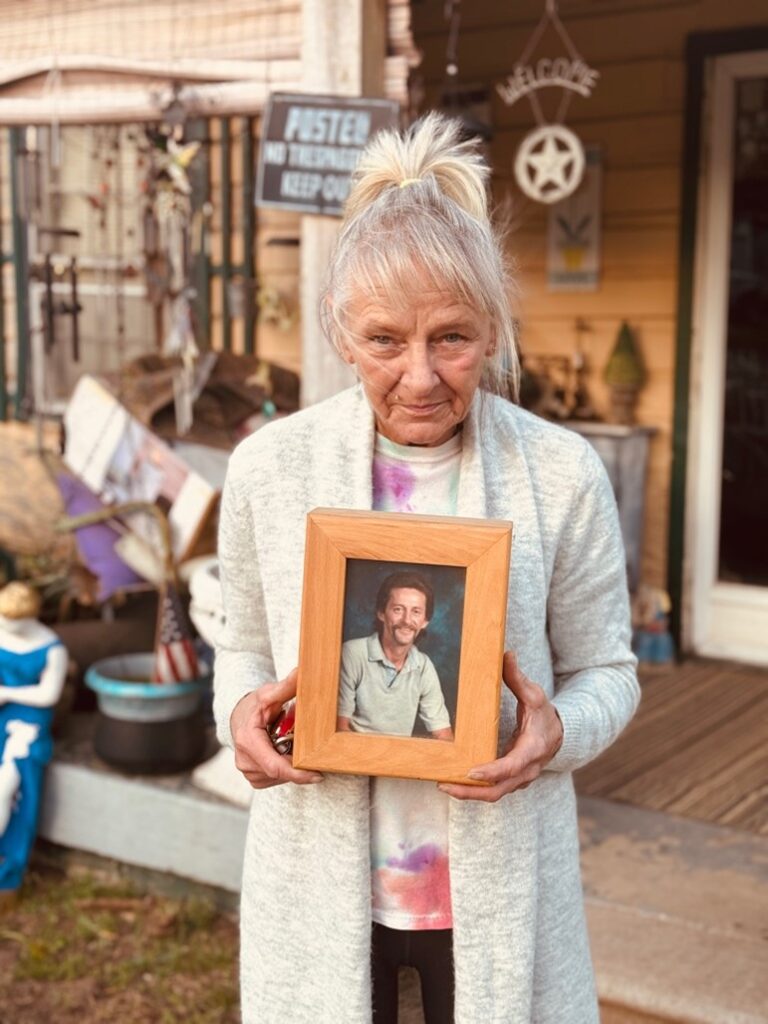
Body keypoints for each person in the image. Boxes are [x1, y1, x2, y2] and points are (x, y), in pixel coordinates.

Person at [214, 113, 640, 1024]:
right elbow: (242, 651)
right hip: (321, 890)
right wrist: (240, 717)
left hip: (494, 893)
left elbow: (609, 671)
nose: (419, 376)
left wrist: (553, 733)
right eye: (384, 341)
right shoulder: (268, 470)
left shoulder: (560, 474)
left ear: (492, 328)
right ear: (339, 332)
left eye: (450, 337)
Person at [0, 582, 67, 906]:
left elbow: (49, 694)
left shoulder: (51, 647)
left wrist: (9, 693)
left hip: (25, 724)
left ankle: (10, 870)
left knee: (10, 788)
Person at [337, 570, 453, 738]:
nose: (407, 620)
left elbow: (444, 736)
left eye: (416, 612)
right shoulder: (352, 654)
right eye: (398, 609)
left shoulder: (424, 667)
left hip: (400, 761)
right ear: (381, 613)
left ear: (425, 621)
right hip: (350, 758)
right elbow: (338, 730)